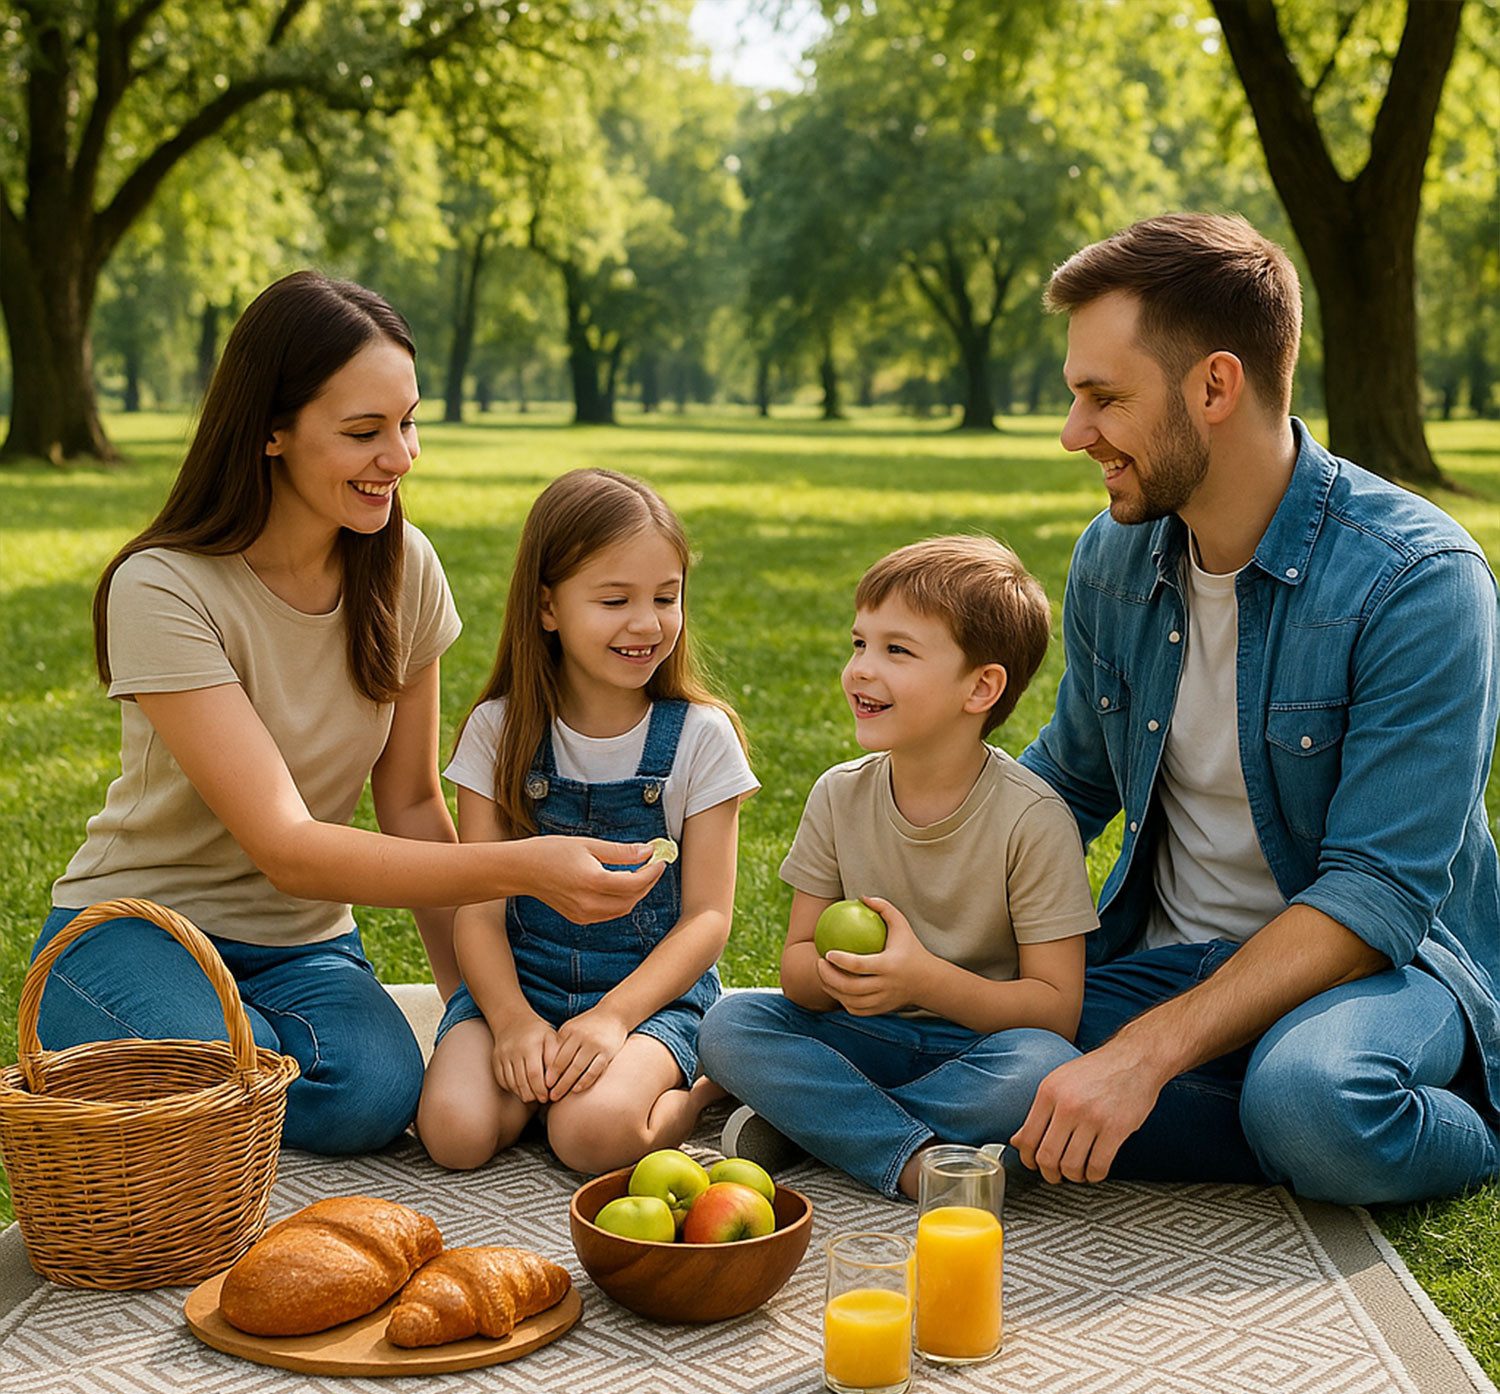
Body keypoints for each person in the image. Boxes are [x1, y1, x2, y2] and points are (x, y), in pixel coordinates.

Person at [31, 273, 663, 1156]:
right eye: (364, 432)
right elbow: (285, 846)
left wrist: (471, 1017)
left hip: (301, 949)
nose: (399, 458)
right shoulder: (163, 587)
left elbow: (409, 805)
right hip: (143, 927)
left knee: (374, 1098)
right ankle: (170, 1056)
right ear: (272, 432)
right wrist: (521, 867)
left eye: (408, 422)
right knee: (213, 1085)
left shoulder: (404, 570)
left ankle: (209, 1067)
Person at [1009, 212, 1500, 1205]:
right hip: (1168, 961)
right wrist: (909, 879)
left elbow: (1375, 898)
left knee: (1316, 1101)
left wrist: (1144, 1054)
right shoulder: (1114, 557)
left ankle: (1464, 1119)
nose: (1074, 434)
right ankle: (1209, 1093)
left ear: (1216, 386)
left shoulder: (1419, 580)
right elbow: (1065, 782)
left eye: (1104, 398)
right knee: (957, 1037)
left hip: (1377, 979)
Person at [699, 536, 1100, 1199]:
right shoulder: (838, 794)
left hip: (974, 1049)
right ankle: (921, 1162)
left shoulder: (1033, 819)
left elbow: (1055, 1011)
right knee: (730, 1027)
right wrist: (843, 980)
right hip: (860, 1034)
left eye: (897, 650)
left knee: (1044, 1069)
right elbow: (796, 970)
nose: (860, 669)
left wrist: (923, 980)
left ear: (981, 687)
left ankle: (821, 1124)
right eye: (859, 643)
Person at [415, 469, 759, 1175]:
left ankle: (701, 1091)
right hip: (520, 986)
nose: (647, 622)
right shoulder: (497, 731)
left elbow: (706, 921)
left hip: (647, 996)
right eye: (614, 600)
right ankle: (542, 1075)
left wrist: (611, 1018)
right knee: (454, 1132)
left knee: (588, 1137)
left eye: (666, 598)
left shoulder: (702, 737)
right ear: (547, 607)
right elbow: (478, 915)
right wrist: (509, 1022)